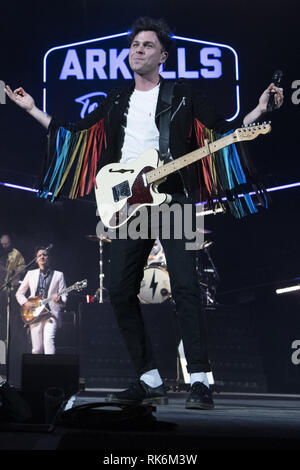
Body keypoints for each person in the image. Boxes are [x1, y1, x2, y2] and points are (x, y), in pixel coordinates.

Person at [4, 17, 283, 409]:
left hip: (174, 199)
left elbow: (223, 133)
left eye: (147, 45)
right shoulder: (117, 99)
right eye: (134, 45)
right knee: (118, 290)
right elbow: (77, 137)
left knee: (186, 289)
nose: (138, 50)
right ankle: (149, 378)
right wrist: (32, 109)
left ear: (163, 55)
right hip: (129, 205)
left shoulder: (183, 94)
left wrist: (257, 110)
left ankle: (200, 380)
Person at [15, 246, 67, 354]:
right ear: (36, 259)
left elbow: (64, 297)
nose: (42, 257)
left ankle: (50, 369)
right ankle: (35, 369)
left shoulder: (58, 275)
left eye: (45, 255)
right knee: (37, 349)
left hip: (51, 314)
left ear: (49, 258)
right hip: (35, 314)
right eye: (39, 255)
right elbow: (19, 293)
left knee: (49, 342)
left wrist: (60, 301)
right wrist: (26, 303)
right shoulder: (31, 274)